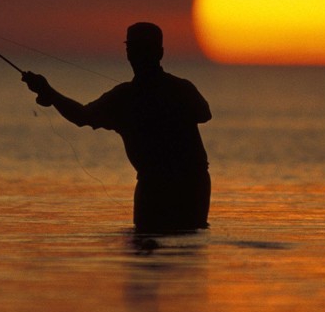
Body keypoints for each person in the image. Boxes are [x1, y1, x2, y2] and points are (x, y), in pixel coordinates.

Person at [22, 22, 212, 233]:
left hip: (176, 184)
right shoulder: (178, 89)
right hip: (186, 183)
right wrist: (49, 93)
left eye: (140, 49)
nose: (136, 54)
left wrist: (49, 93)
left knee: (147, 244)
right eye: (133, 49)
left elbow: (81, 117)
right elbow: (204, 114)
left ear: (158, 52)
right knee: (187, 241)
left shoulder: (125, 97)